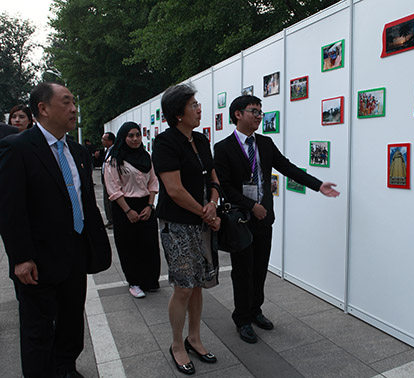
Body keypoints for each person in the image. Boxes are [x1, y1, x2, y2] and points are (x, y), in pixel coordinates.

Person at [0, 82, 111, 378]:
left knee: (71, 320)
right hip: (37, 260)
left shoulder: (77, 151)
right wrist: (21, 257)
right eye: (66, 102)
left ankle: (66, 366)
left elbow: (85, 200)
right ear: (43, 109)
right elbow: (10, 208)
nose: (74, 108)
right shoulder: (19, 148)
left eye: (74, 101)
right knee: (37, 329)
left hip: (74, 252)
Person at [214, 95, 340, 344]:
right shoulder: (223, 147)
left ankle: (255, 310)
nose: (260, 116)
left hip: (263, 220)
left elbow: (287, 167)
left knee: (260, 269)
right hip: (240, 220)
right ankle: (241, 318)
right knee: (242, 271)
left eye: (261, 112)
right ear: (238, 114)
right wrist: (252, 206)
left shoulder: (265, 143)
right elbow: (225, 186)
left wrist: (318, 185)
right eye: (254, 111)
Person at [152, 84, 220, 375]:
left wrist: (214, 203)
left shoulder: (201, 140)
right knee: (183, 287)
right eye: (193, 105)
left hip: (203, 221)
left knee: (198, 284)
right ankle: (177, 344)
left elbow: (214, 177)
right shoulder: (166, 143)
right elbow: (174, 190)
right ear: (178, 114)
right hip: (178, 224)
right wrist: (205, 212)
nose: (199, 109)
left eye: (197, 104)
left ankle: (195, 338)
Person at [104, 122, 160, 298]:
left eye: (137, 135)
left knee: (149, 244)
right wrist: (128, 211)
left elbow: (153, 182)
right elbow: (113, 188)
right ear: (123, 137)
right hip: (124, 206)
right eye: (130, 136)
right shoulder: (114, 159)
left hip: (146, 205)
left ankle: (150, 280)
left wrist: (150, 205)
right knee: (129, 246)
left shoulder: (146, 157)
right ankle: (134, 282)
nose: (135, 139)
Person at [100, 132, 115, 228]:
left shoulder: (114, 151)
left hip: (111, 180)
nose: (102, 141)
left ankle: (113, 220)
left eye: (104, 139)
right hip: (105, 179)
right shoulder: (107, 150)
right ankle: (110, 220)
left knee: (110, 201)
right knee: (106, 200)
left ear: (110, 141)